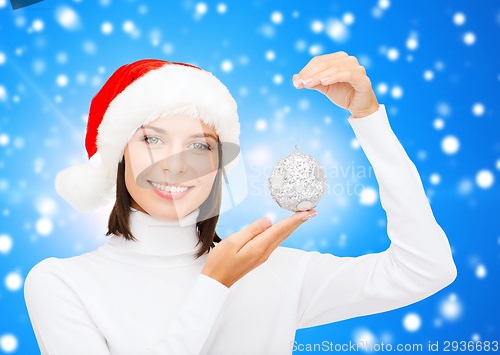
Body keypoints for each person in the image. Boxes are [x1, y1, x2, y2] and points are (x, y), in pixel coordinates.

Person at [24, 52, 457, 355]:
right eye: (153, 139)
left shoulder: (274, 273)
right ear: (118, 154)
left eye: (199, 145)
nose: (176, 167)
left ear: (218, 165)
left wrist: (369, 120)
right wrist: (214, 285)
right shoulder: (62, 284)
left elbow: (426, 269)